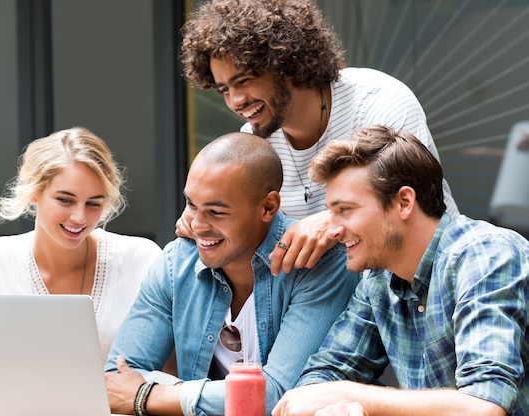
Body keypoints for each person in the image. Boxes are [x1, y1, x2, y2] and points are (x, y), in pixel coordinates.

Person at [177, 0, 460, 276]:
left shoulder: (377, 100)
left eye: (244, 81)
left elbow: (411, 207)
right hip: (337, 300)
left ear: (284, 63)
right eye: (224, 89)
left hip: (426, 279)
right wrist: (204, 219)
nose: (236, 100)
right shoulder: (253, 147)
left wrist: (330, 220)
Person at [272, 125, 529, 416]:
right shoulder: (378, 279)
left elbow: (484, 406)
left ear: (404, 202)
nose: (332, 230)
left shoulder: (485, 255)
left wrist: (349, 395)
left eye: (345, 209)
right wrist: (332, 404)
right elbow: (326, 372)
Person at [104, 132, 359, 416]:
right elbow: (118, 378)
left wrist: (149, 395)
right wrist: (167, 396)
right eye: (192, 205)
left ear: (268, 207)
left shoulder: (317, 266)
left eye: (215, 212)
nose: (197, 225)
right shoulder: (177, 263)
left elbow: (279, 394)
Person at [0, 127, 162, 406]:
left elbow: (169, 374)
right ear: (34, 192)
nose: (79, 217)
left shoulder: (141, 259)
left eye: (94, 203)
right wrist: (0, 332)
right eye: (65, 200)